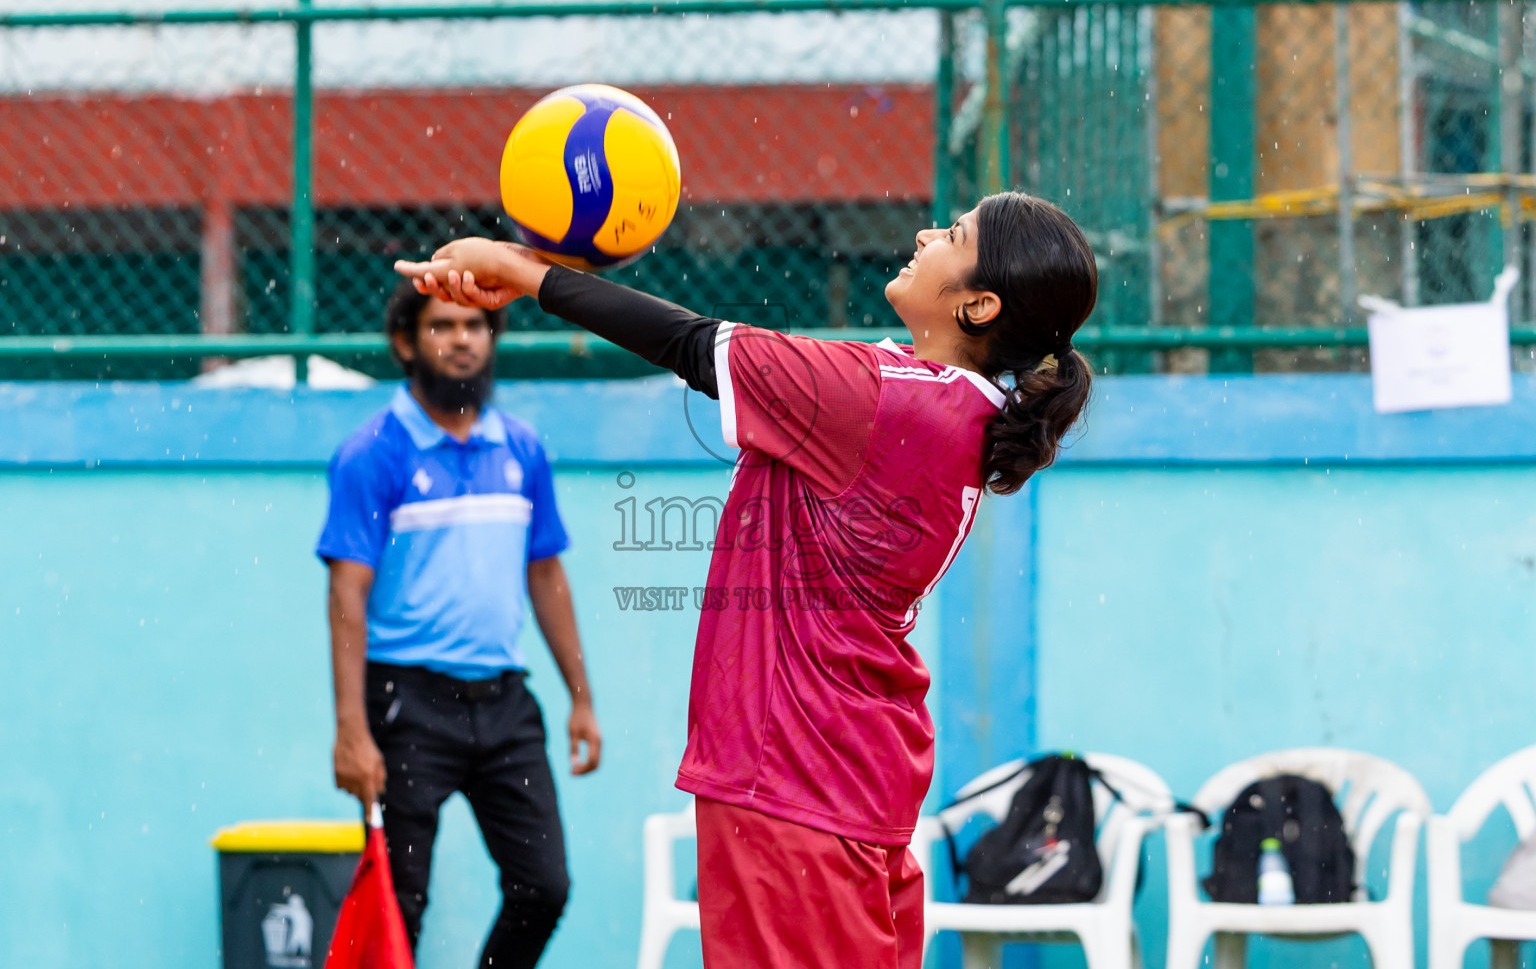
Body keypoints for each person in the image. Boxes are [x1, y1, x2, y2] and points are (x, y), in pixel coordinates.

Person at [396, 191, 1097, 969]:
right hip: (847, 778)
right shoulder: (955, 407)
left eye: (955, 235)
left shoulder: (885, 398)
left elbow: (692, 345)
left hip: (792, 777)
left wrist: (523, 269)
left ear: (979, 305)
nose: (929, 233)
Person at [316, 283, 602, 969]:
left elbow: (545, 574)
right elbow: (346, 593)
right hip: (407, 707)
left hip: (506, 705)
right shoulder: (374, 453)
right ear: (405, 343)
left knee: (544, 885)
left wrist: (581, 697)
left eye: (476, 325)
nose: (463, 339)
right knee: (401, 902)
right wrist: (351, 731)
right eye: (442, 325)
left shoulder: (522, 448)